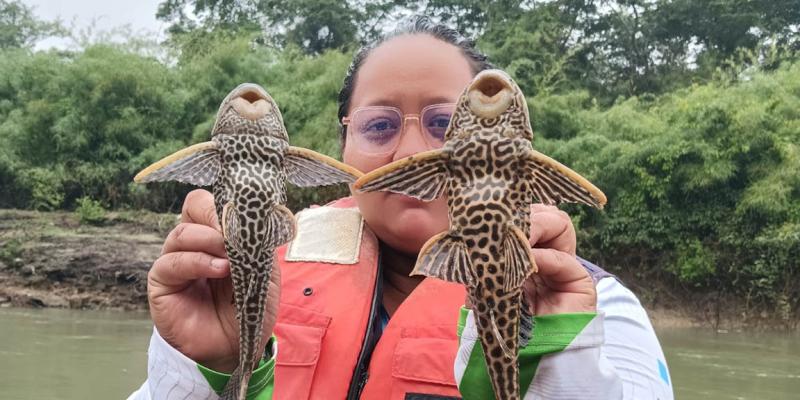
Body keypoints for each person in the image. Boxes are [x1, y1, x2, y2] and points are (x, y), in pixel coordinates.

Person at [129, 16, 673, 400]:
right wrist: (204, 371)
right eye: (380, 126)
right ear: (340, 149)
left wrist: (556, 357)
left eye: (443, 123)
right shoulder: (234, 280)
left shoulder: (597, 307)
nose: (413, 152)